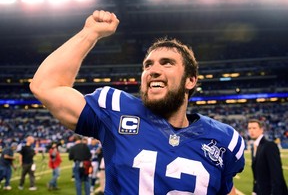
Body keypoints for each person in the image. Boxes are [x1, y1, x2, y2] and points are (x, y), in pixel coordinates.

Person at [30, 10, 245, 194]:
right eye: (147, 65)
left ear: (190, 80)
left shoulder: (223, 140)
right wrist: (90, 33)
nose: (153, 71)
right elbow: (46, 86)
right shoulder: (115, 110)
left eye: (167, 63)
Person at [248, 119, 288, 195]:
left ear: (261, 130)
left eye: (254, 128)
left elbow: (276, 174)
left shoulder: (269, 145)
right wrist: (255, 190)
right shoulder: (254, 147)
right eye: (249, 128)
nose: (251, 131)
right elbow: (257, 174)